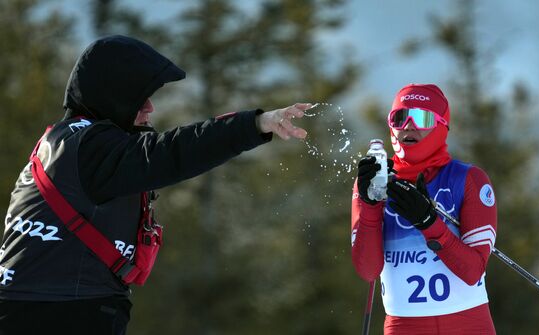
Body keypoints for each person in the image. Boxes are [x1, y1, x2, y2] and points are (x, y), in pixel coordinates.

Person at [0, 35, 311, 335]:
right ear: (113, 94)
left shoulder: (70, 141)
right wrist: (255, 124)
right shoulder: (91, 149)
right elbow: (173, 152)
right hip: (59, 316)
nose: (150, 108)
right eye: (139, 97)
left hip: (49, 310)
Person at [351, 83, 497, 334]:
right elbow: (368, 270)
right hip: (403, 326)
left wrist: (429, 223)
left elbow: (473, 271)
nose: (409, 125)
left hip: (468, 325)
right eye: (399, 117)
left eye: (422, 118)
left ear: (441, 125)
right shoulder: (375, 181)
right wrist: (370, 206)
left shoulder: (469, 179)